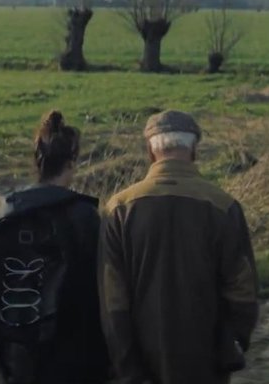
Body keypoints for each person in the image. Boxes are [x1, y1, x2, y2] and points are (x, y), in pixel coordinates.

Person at [99, 110, 260, 384]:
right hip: (205, 359)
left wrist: (126, 364)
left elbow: (112, 298)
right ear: (194, 149)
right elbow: (243, 289)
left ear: (150, 151)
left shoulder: (118, 209)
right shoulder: (223, 206)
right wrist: (231, 343)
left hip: (139, 361)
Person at [0, 111, 110, 384]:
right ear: (73, 161)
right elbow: (97, 285)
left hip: (15, 346)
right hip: (69, 348)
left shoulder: (6, 211)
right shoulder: (83, 215)